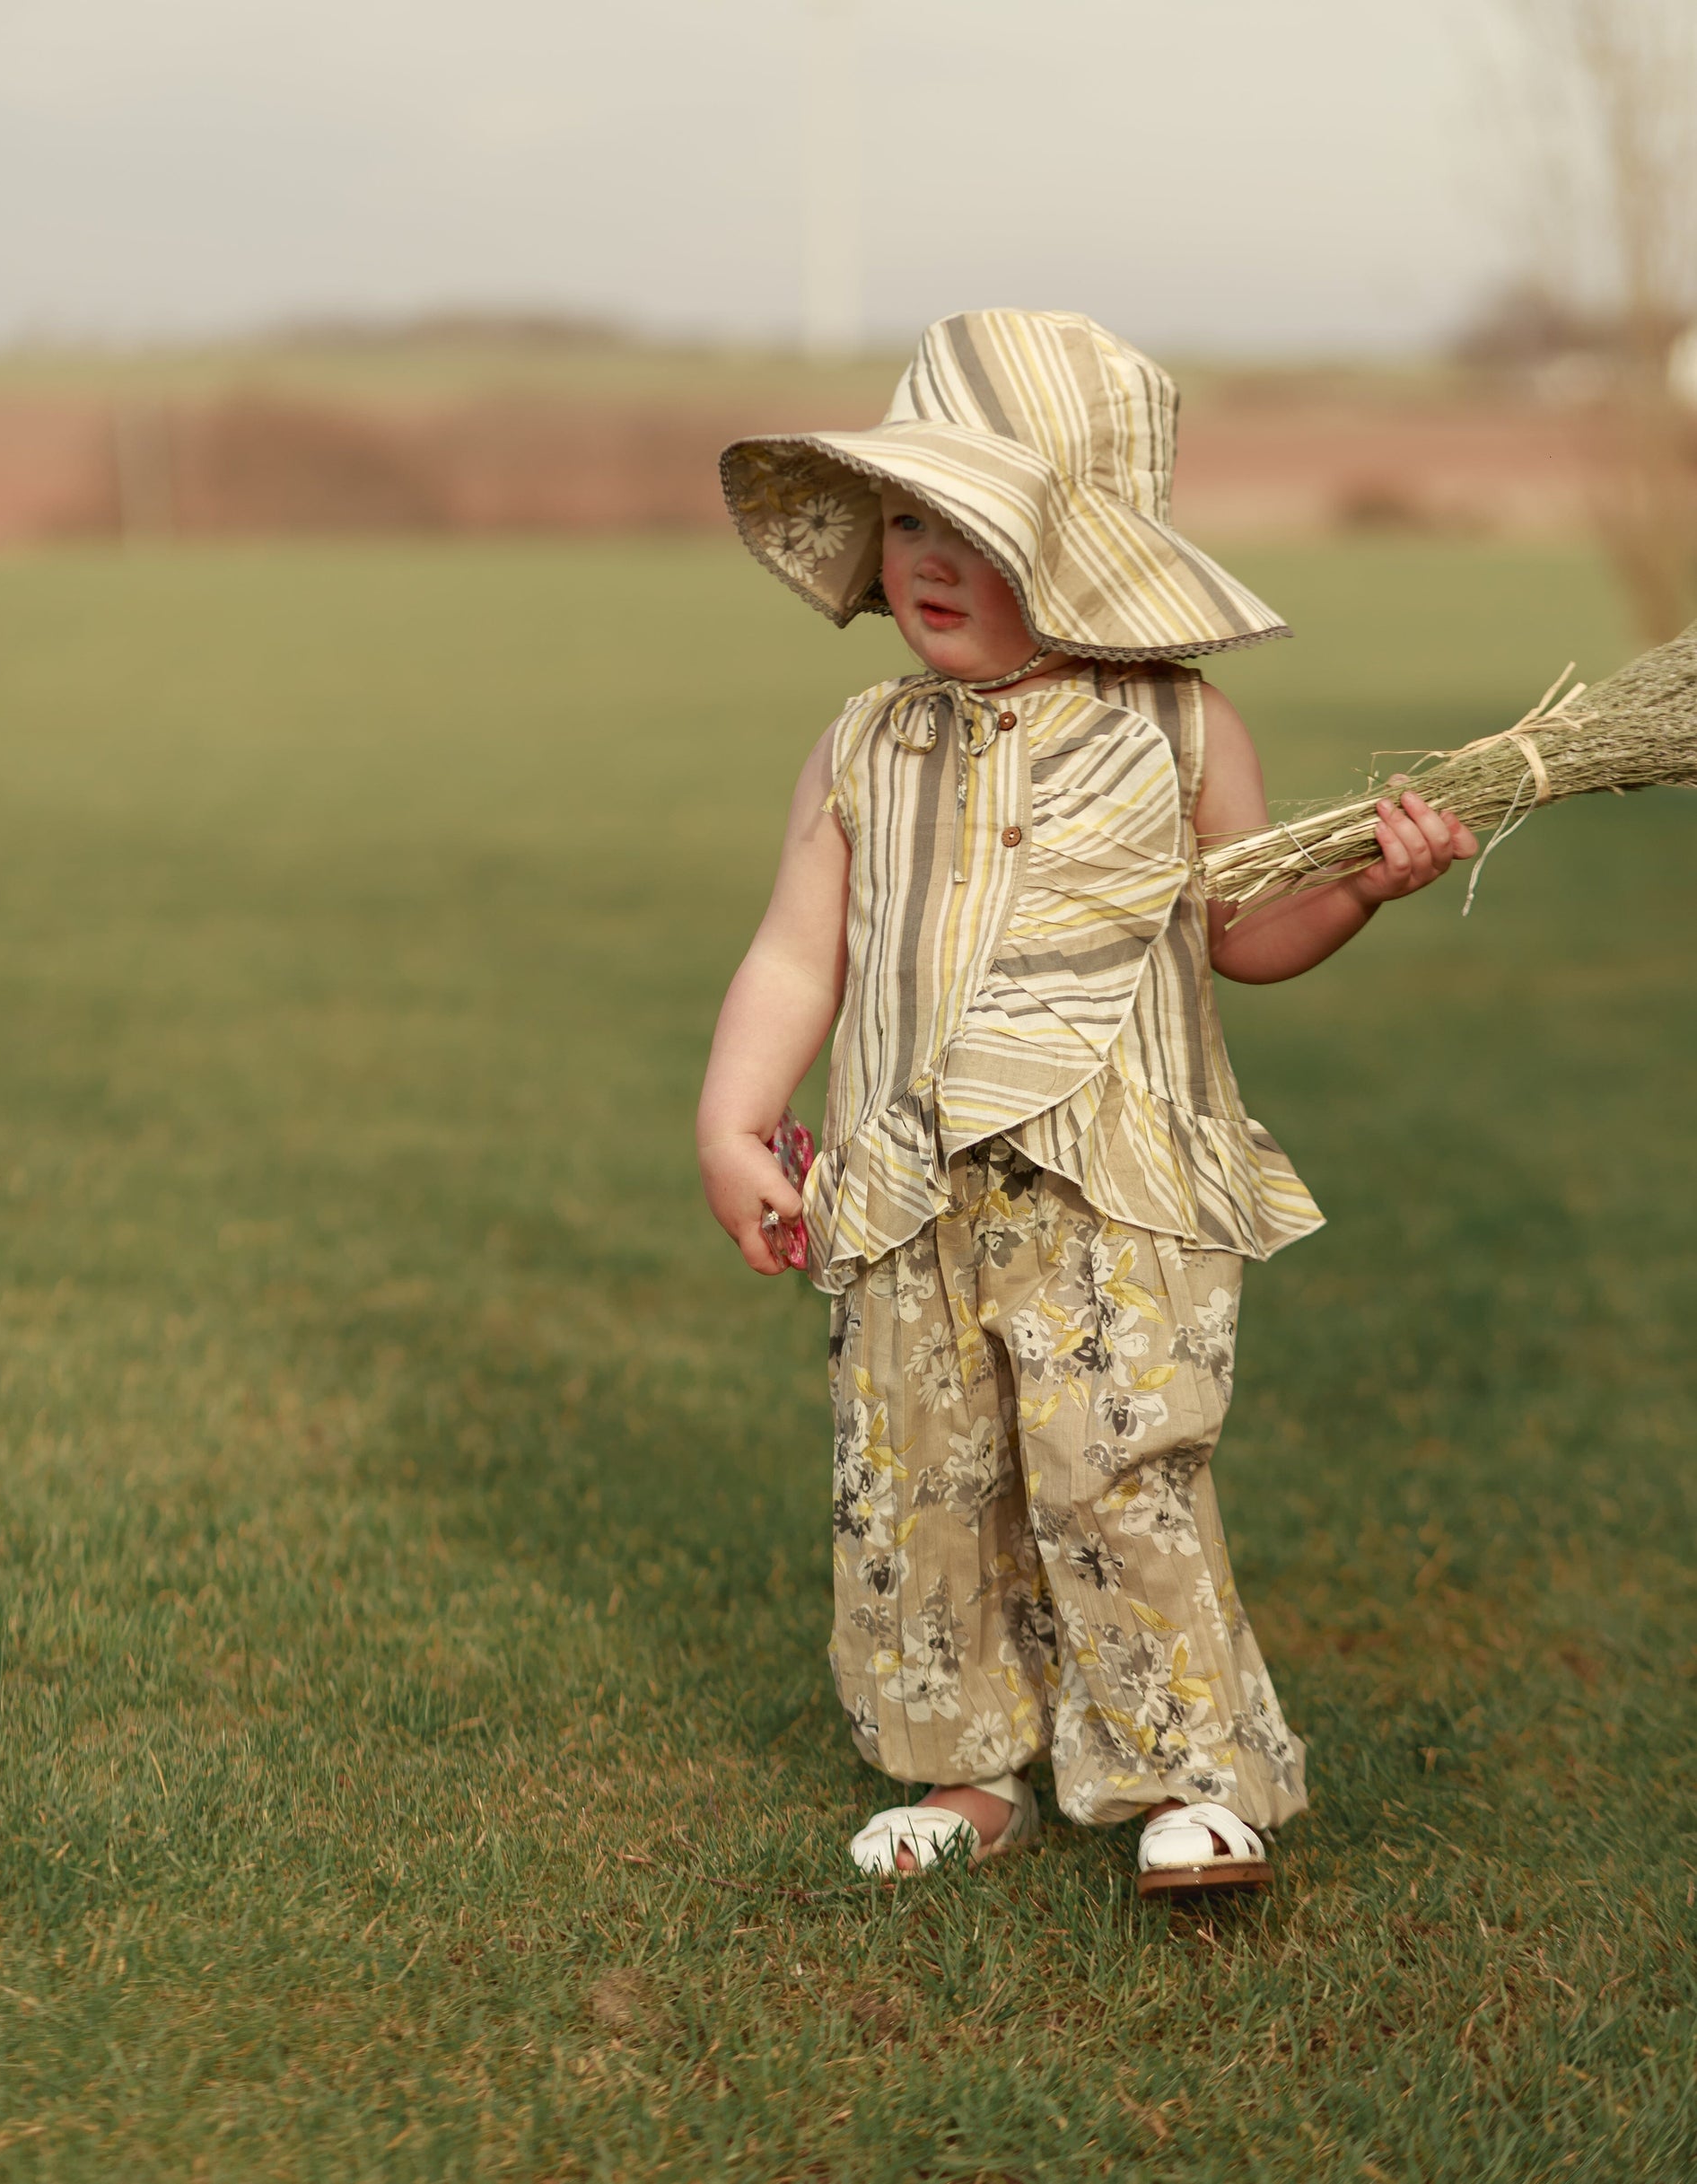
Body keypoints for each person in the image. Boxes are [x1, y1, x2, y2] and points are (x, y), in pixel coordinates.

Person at [696, 311, 1476, 1894]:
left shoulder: (1178, 728)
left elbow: (1243, 935)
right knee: (917, 1483)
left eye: (974, 531)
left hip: (1115, 1197)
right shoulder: (863, 744)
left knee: (1119, 1474)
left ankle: (1188, 1777)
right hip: (908, 1192)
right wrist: (732, 1119)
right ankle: (965, 1767)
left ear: (1082, 556)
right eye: (908, 518)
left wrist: (1363, 893)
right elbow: (796, 951)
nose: (926, 557)